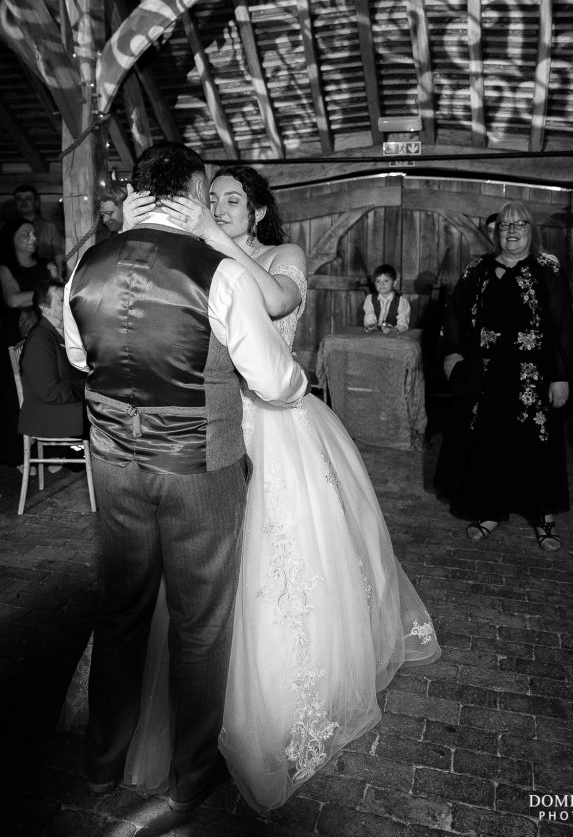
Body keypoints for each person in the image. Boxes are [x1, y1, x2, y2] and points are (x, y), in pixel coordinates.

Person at [69, 164, 440, 814]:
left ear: (259, 210)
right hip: (204, 438)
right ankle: (188, 753)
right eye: (210, 198)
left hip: (273, 430)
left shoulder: (268, 256)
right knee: (193, 604)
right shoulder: (199, 262)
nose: (219, 206)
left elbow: (280, 304)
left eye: (233, 199)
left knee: (266, 572)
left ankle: (222, 721)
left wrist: (213, 232)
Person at [62, 143, 308, 814]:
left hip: (114, 467)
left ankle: (101, 765)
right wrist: (299, 381)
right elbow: (273, 381)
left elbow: (82, 358)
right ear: (196, 191)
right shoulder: (218, 273)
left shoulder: (86, 266)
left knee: (121, 614)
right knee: (200, 628)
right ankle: (192, 773)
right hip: (201, 471)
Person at [434, 199, 573, 552]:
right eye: (505, 225)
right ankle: (490, 508)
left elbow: (564, 325)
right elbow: (454, 312)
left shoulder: (547, 269)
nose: (512, 231)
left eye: (519, 225)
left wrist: (561, 376)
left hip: (533, 376)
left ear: (531, 230)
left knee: (536, 444)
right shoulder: (477, 269)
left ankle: (543, 515)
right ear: (495, 231)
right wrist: (452, 353)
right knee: (490, 442)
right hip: (488, 374)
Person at [0, 219, 58, 466]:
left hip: (44, 337)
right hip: (14, 337)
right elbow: (13, 300)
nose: (33, 238)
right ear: (12, 239)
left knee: (46, 390)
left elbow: (59, 296)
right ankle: (20, 456)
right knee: (17, 397)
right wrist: (43, 292)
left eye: (34, 233)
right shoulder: (5, 268)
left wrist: (49, 287)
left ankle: (51, 452)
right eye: (26, 234)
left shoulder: (48, 266)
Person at [18, 280, 86, 473]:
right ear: (44, 308)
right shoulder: (40, 339)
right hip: (47, 414)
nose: (67, 303)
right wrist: (87, 389)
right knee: (106, 416)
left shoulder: (58, 332)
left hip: (59, 406)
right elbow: (50, 392)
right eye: (61, 300)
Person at [13, 184, 65, 277]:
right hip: (16, 277)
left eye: (28, 198)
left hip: (44, 276)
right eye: (19, 199)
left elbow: (60, 260)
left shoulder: (50, 228)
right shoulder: (8, 229)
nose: (23, 202)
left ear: (36, 203)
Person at [363, 263, 410, 333]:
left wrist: (395, 329)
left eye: (386, 280)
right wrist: (371, 325)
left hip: (394, 337)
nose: (381, 284)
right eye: (378, 281)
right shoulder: (370, 298)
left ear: (394, 283)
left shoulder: (401, 301)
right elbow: (369, 316)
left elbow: (403, 322)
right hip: (374, 335)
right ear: (374, 283)